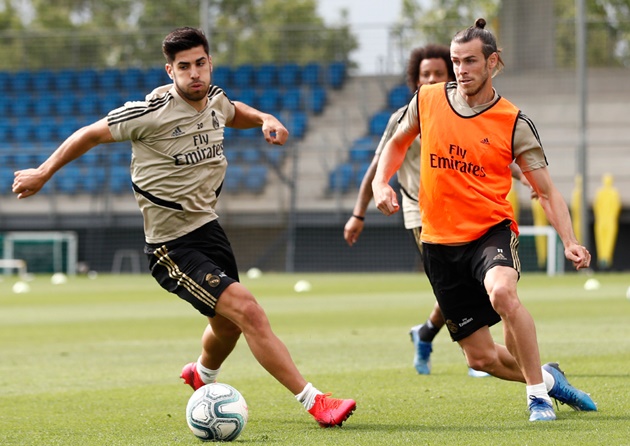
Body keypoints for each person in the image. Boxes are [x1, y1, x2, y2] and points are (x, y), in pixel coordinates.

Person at [12, 27, 356, 428]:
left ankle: (201, 374)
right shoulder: (148, 112)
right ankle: (316, 402)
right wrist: (42, 172)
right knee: (249, 312)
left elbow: (233, 110)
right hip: (170, 247)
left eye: (200, 64)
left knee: (226, 326)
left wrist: (265, 117)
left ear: (209, 63)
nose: (194, 74)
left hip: (209, 230)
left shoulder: (214, 98)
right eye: (184, 67)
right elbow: (89, 134)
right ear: (170, 70)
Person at [372, 19, 597, 421]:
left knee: (502, 294)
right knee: (481, 359)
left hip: (489, 233)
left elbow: (546, 190)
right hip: (438, 243)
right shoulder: (427, 99)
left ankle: (537, 398)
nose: (461, 69)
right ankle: (547, 379)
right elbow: (395, 143)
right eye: (456, 61)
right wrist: (379, 184)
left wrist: (569, 240)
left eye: (470, 61)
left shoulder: (514, 122)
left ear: (493, 62)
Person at [343, 44, 518, 378]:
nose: (432, 79)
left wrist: (526, 177)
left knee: (470, 280)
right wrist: (359, 212)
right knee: (466, 282)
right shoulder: (405, 116)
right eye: (426, 75)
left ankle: (427, 333)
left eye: (439, 73)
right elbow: (378, 165)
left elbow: (494, 155)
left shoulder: (462, 112)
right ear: (415, 79)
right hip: (419, 215)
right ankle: (479, 351)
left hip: (461, 213)